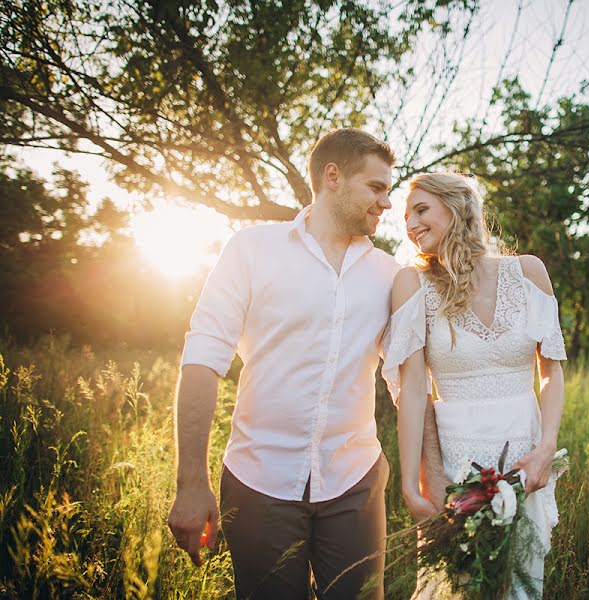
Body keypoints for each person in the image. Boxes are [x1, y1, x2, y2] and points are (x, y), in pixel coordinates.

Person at [166, 128, 400, 599]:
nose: (386, 203)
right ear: (332, 177)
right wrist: (190, 484)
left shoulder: (389, 275)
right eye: (376, 188)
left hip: (355, 481)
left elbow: (407, 382)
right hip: (258, 481)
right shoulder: (252, 249)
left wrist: (432, 471)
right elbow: (202, 359)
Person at [382, 172, 567, 598]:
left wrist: (545, 450)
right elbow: (413, 390)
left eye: (421, 210)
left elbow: (551, 371)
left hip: (524, 458)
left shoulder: (528, 273)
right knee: (457, 585)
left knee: (520, 583)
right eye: (405, 217)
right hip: (455, 462)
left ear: (459, 206)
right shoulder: (412, 284)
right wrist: (412, 484)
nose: (409, 225)